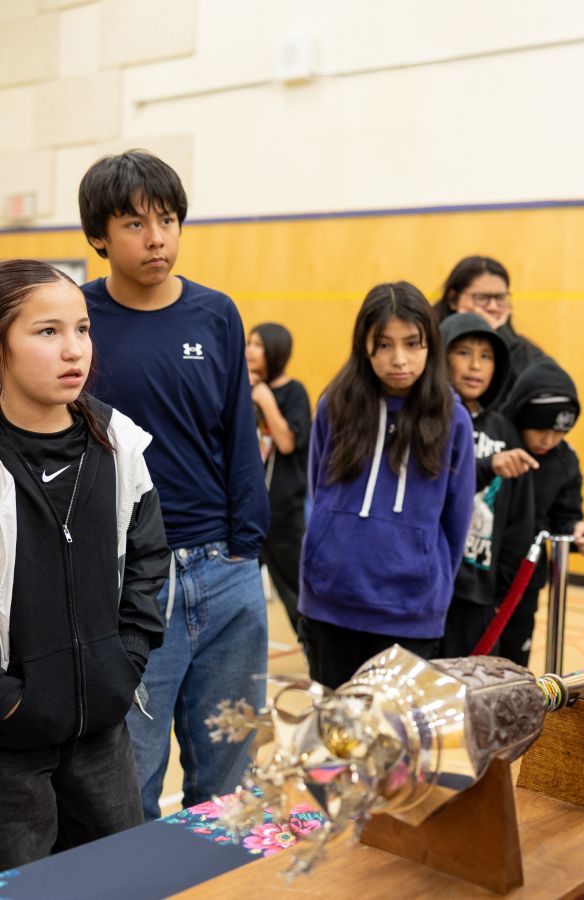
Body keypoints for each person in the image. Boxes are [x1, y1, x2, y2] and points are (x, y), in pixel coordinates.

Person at [78, 150, 270, 820]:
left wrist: (248, 545)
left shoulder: (216, 314)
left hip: (225, 568)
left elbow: (237, 431)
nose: (156, 237)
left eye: (167, 220)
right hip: (129, 579)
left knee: (229, 776)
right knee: (129, 780)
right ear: (98, 236)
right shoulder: (77, 319)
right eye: (134, 223)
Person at [0, 260, 168, 868]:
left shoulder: (118, 441)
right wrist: (8, 700)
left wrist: (127, 658)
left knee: (119, 874)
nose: (73, 350)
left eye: (82, 329)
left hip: (102, 725)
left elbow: (149, 557)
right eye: (47, 332)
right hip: (10, 743)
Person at [299, 282, 475, 688]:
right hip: (330, 607)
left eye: (413, 344)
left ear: (430, 345)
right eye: (384, 344)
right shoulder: (335, 405)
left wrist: (428, 588)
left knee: (395, 743)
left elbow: (456, 521)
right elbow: (317, 491)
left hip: (411, 615)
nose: (400, 359)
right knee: (335, 738)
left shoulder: (453, 420)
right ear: (364, 345)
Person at [438, 312, 537, 657]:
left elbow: (519, 521)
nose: (475, 365)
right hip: (432, 589)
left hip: (480, 595)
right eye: (463, 352)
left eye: (486, 356)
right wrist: (484, 466)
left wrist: (502, 592)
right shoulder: (429, 422)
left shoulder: (504, 431)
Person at [498, 358, 584, 666]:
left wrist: (577, 527)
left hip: (525, 582)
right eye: (541, 429)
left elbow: (565, 514)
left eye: (559, 432)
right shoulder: (496, 443)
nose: (549, 440)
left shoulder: (564, 460)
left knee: (513, 662)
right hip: (480, 582)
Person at [246, 323, 311, 638]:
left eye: (257, 344)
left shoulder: (294, 391)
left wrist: (265, 399)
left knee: (296, 595)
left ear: (275, 351)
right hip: (247, 512)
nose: (249, 350)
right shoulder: (242, 389)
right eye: (249, 343)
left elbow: (286, 442)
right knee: (239, 594)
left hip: (284, 514)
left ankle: (315, 653)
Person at [433, 256, 545, 402]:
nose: (492, 307)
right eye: (481, 297)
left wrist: (501, 333)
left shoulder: (517, 345)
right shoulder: (427, 336)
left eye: (500, 298)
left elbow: (538, 380)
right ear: (453, 299)